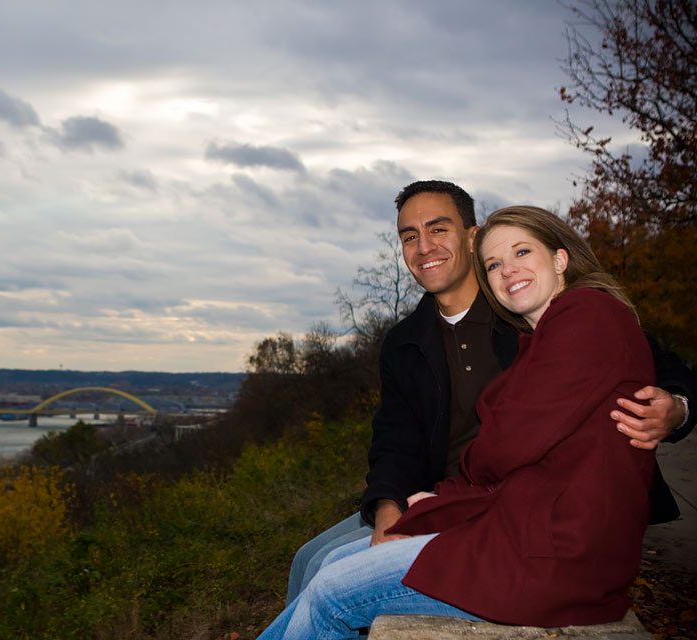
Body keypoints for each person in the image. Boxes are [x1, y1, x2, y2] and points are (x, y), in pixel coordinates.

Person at [259, 206, 669, 639]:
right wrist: (405, 503)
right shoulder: (417, 340)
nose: (509, 270)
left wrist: (678, 404)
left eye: (523, 251)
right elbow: (396, 437)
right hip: (515, 523)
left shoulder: (585, 315)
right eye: (495, 264)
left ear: (560, 258)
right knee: (327, 564)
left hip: (552, 550)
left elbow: (510, 442)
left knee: (333, 591)